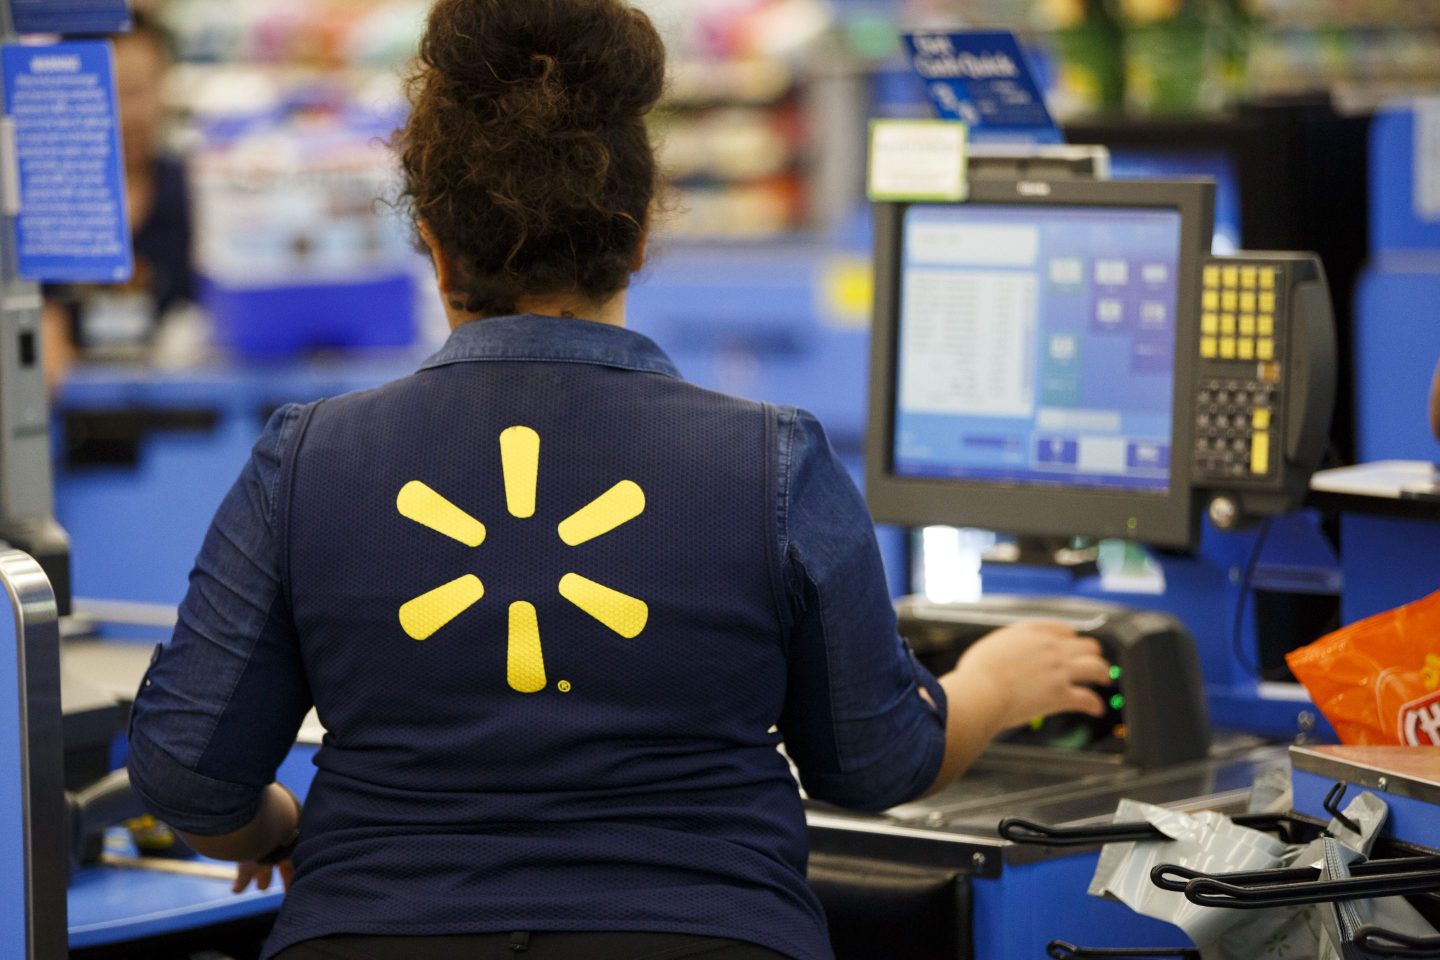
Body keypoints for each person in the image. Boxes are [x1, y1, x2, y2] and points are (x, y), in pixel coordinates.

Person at [125, 2, 1112, 958]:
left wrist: (279, 832)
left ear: (431, 242)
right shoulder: (772, 460)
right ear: (641, 233)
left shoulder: (305, 460)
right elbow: (872, 764)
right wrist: (986, 687)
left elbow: (185, 775)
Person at [42, 10, 195, 389]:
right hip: (71, 423)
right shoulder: (42, 207)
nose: (132, 114)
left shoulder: (191, 193)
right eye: (112, 92)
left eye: (143, 89)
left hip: (179, 414)